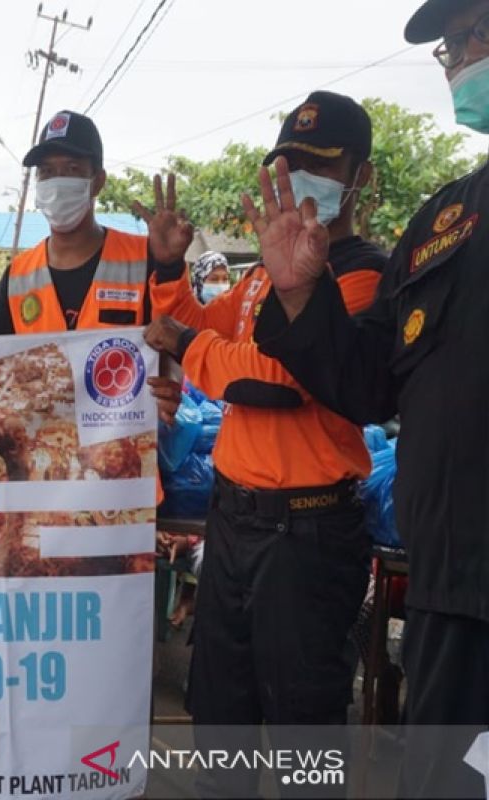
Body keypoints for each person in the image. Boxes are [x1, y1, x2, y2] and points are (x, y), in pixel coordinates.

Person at [250, 4, 489, 794]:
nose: (455, 57)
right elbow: (367, 384)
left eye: (471, 32)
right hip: (452, 590)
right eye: (448, 45)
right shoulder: (445, 220)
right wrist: (300, 295)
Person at [144, 90, 387, 795]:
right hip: (235, 520)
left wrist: (193, 349)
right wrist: (166, 268)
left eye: (320, 163)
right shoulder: (256, 278)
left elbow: (277, 380)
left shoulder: (363, 273)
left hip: (306, 535)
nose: (299, 177)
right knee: (220, 721)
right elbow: (195, 320)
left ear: (360, 177)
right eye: (289, 162)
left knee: (302, 738)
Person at [0, 110, 187, 427]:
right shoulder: (19, 275)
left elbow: (176, 349)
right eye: (47, 172)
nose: (57, 183)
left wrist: (168, 387)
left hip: (122, 460)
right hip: (44, 462)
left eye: (71, 169)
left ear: (97, 181)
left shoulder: (147, 260)